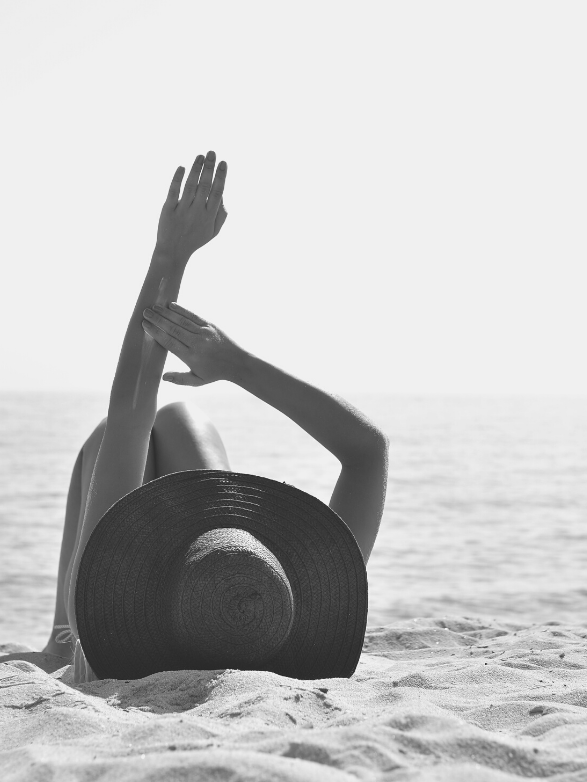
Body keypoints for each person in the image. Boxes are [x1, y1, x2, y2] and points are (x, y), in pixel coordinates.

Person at [42, 151, 389, 682]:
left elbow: (131, 411)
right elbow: (368, 451)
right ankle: (58, 640)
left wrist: (172, 259)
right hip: (208, 592)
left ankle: (56, 642)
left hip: (85, 636)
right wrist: (235, 363)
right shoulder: (281, 611)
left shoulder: (99, 639)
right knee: (176, 422)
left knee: (125, 432)